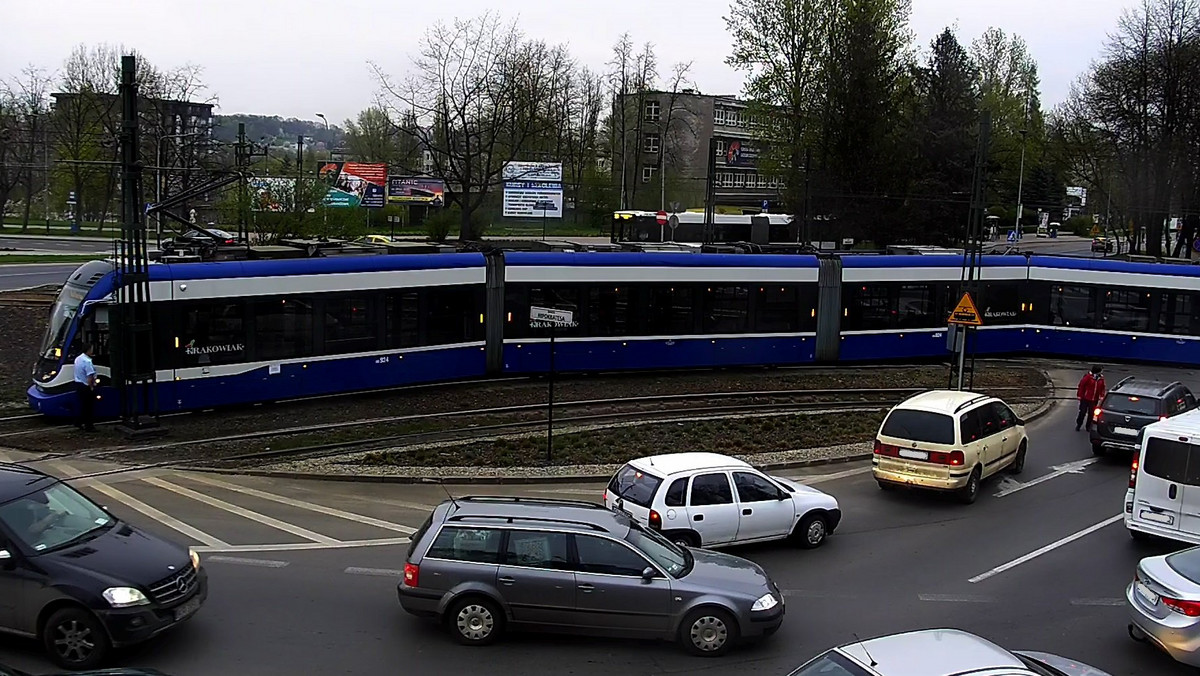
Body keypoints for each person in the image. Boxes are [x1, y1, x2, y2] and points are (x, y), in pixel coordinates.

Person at [73, 343, 97, 432]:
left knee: (82, 405)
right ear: (88, 350)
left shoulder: (78, 358)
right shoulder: (87, 361)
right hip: (86, 386)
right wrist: (91, 387)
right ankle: (89, 426)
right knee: (89, 407)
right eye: (91, 349)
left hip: (78, 384)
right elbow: (90, 376)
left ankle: (78, 421)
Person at [1076, 365, 1106, 432]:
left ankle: (1088, 426)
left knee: (1091, 413)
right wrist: (1079, 395)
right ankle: (1079, 424)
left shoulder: (1101, 378)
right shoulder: (1088, 377)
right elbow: (1081, 386)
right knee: (1082, 412)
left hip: (1094, 399)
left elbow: (1102, 388)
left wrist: (1102, 395)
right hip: (1085, 398)